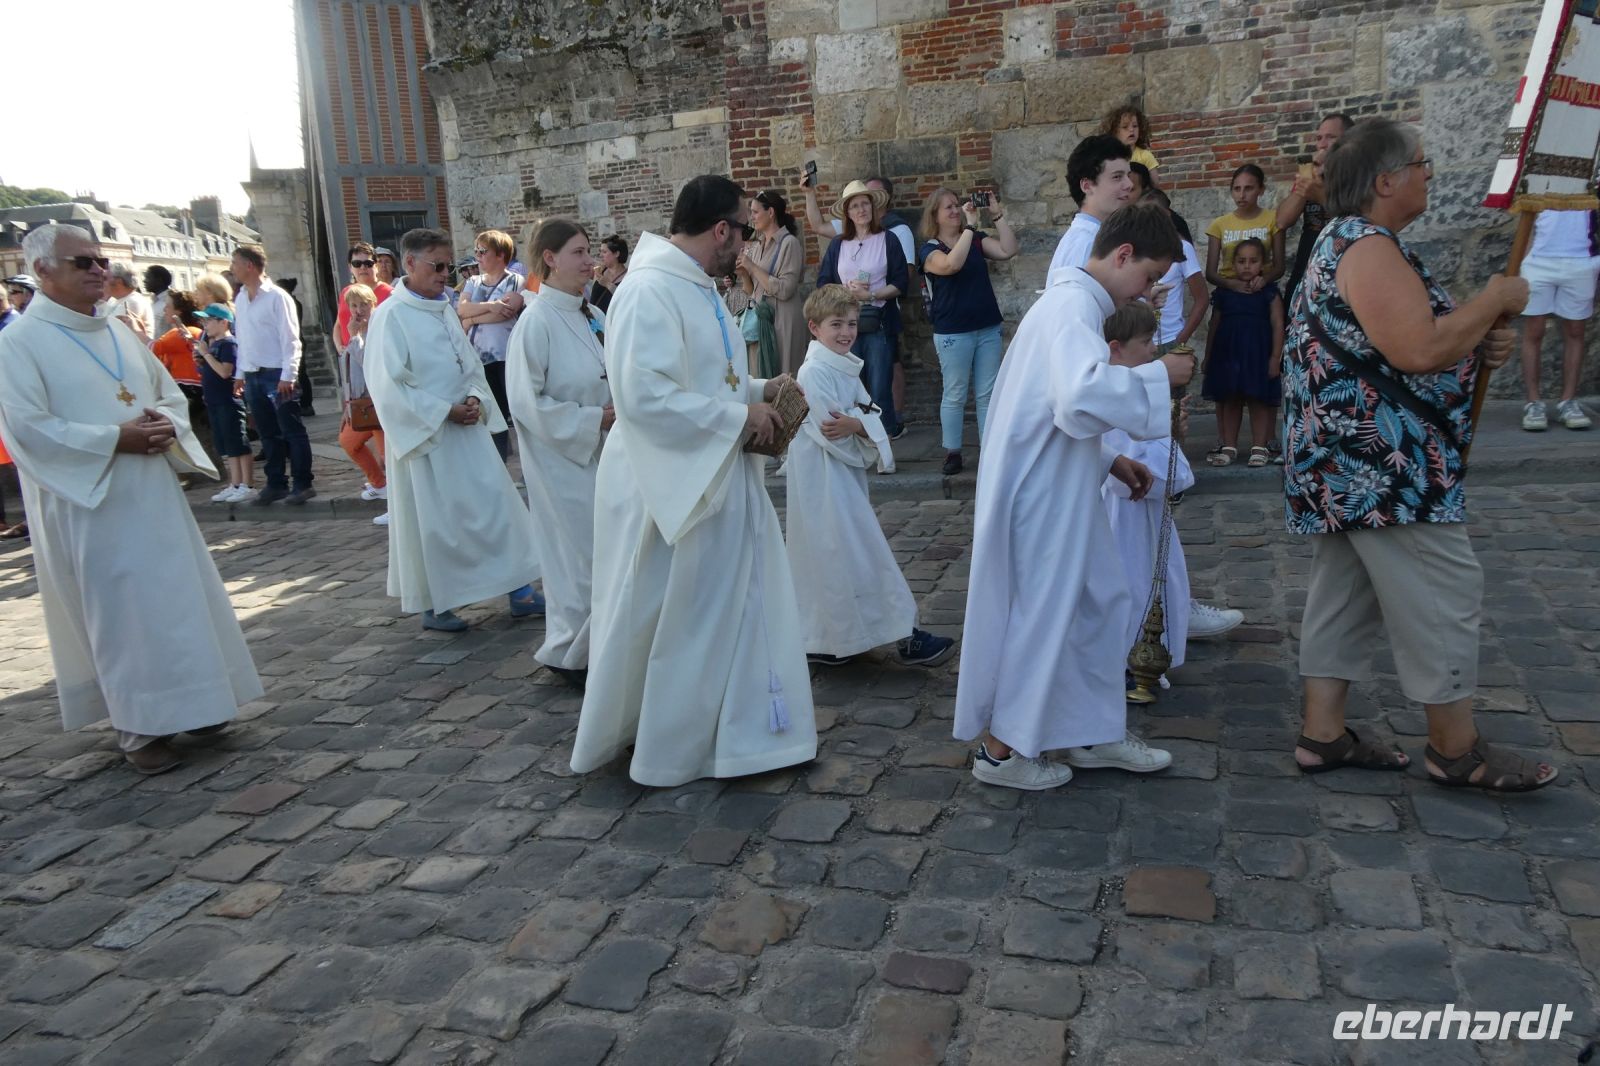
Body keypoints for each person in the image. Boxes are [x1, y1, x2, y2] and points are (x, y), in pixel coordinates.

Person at [1284, 117, 1556, 792]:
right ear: (1386, 181)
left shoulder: (1347, 241)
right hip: (1386, 465)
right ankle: (1455, 749)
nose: (1429, 173)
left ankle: (1323, 734)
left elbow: (1414, 338)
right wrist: (1491, 300)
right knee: (1442, 589)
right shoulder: (1368, 246)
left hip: (1348, 461)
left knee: (1344, 593)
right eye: (1422, 163)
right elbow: (1417, 349)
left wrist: (1478, 336)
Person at [571, 175, 817, 787]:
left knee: (730, 609)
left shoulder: (698, 287)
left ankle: (740, 735)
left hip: (715, 471)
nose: (747, 244)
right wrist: (740, 418)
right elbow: (643, 396)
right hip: (667, 485)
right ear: (720, 230)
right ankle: (673, 744)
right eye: (743, 231)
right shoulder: (648, 290)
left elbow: (710, 379)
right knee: (679, 618)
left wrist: (762, 389)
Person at [0, 224, 262, 774]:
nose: (99, 270)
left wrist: (166, 423)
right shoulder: (17, 344)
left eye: (100, 260)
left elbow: (167, 393)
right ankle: (140, 727)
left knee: (176, 600)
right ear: (42, 270)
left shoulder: (117, 331)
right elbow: (26, 428)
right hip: (89, 502)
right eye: (83, 262)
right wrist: (113, 439)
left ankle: (197, 704)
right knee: (120, 615)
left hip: (152, 491)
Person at [954, 204, 1193, 790]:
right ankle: (1000, 753)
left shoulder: (1073, 306)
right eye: (1147, 276)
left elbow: (1050, 405)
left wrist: (1110, 459)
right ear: (1123, 255)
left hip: (1058, 482)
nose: (1146, 292)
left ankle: (1088, 730)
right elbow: (1079, 397)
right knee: (1045, 615)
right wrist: (1159, 376)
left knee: (1099, 602)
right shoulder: (1071, 309)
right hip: (1042, 497)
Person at [364, 228, 543, 632]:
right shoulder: (390, 316)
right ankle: (436, 604)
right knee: (438, 526)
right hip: (429, 438)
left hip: (468, 429)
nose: (446, 274)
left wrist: (476, 396)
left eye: (448, 265)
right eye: (438, 266)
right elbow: (387, 385)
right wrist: (445, 410)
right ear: (410, 263)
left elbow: (470, 362)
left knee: (497, 507)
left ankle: (520, 590)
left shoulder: (443, 307)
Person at [786, 284, 957, 667]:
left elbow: (866, 413)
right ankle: (901, 636)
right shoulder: (814, 372)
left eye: (851, 323)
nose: (846, 332)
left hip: (842, 480)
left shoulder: (844, 365)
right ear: (814, 327)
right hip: (823, 482)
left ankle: (835, 641)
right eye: (836, 324)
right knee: (854, 555)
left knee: (842, 556)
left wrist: (860, 425)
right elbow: (833, 431)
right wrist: (862, 426)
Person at [506, 220, 613, 688]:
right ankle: (572, 652)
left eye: (590, 251)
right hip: (563, 461)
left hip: (605, 455)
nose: (590, 261)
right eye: (579, 252)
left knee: (606, 553)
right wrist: (594, 420)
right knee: (578, 558)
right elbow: (526, 403)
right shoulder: (536, 322)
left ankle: (604, 649)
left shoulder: (593, 313)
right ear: (549, 259)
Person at [1100, 302, 1194, 678]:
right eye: (1145, 342)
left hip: (1143, 517)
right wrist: (1166, 439)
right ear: (1116, 348)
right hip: (1122, 518)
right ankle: (1126, 664)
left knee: (1151, 581)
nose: (1154, 349)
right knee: (1132, 585)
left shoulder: (1130, 392)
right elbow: (1144, 476)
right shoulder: (1116, 400)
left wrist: (1169, 432)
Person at [918, 186, 1019, 476]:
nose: (955, 210)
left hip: (986, 326)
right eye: (948, 207)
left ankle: (990, 451)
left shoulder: (975, 239)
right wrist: (970, 227)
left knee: (988, 393)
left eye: (956, 205)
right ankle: (953, 452)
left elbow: (1008, 250)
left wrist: (996, 214)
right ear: (935, 215)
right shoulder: (930, 249)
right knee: (955, 393)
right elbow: (951, 265)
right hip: (953, 331)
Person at [801, 173, 917, 414]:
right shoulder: (838, 244)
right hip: (844, 325)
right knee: (849, 388)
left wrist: (871, 295)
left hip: (879, 323)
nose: (861, 209)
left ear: (873, 207)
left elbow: (900, 282)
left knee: (879, 389)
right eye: (854, 206)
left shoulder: (888, 239)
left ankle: (882, 434)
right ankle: (855, 433)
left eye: (865, 203)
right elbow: (824, 283)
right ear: (848, 213)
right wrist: (844, 293)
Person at [232, 244, 314, 505]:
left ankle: (302, 483)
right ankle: (276, 482)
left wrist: (288, 374)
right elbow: (243, 338)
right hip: (254, 373)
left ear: (249, 266)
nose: (232, 268)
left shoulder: (277, 297)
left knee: (292, 430)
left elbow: (290, 338)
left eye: (235, 263)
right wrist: (240, 372)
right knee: (268, 432)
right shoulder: (241, 298)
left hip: (277, 372)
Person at [1202, 239, 1284, 468]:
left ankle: (1259, 447)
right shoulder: (1224, 293)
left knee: (1258, 399)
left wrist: (1275, 357)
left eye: (1253, 261)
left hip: (1258, 353)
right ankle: (1229, 446)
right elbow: (1214, 325)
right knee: (1230, 398)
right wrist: (1208, 356)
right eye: (1241, 261)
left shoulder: (1269, 292)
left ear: (1263, 264)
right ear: (1233, 264)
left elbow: (1278, 324)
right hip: (1228, 352)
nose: (1247, 266)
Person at [1517, 209, 1597, 430]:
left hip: (1583, 259)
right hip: (1538, 259)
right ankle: (1533, 403)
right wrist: (1524, 258)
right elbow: (1527, 212)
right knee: (1534, 330)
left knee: (1576, 330)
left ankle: (1568, 401)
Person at [457, 229, 526, 460]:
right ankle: (500, 464)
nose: (477, 256)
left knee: (516, 411)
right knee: (493, 415)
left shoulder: (515, 280)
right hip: (479, 358)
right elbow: (462, 309)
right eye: (476, 251)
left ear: (500, 254)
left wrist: (471, 320)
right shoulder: (472, 282)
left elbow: (505, 312)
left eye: (483, 251)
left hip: (506, 356)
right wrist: (491, 305)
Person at [1276, 112, 1354, 304]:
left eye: (1330, 137)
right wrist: (1307, 178)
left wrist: (1321, 195)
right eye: (1319, 138)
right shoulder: (1310, 174)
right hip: (1308, 262)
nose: (1322, 145)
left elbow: (1357, 222)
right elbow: (1282, 221)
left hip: (1344, 265)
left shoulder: (1358, 176)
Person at [735, 191, 807, 378]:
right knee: (763, 378)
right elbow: (751, 291)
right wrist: (744, 274)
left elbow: (785, 290)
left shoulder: (789, 243)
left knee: (786, 376)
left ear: (771, 212)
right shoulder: (757, 246)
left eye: (755, 212)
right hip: (762, 320)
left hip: (783, 321)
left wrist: (752, 266)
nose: (752, 218)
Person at [190, 302, 254, 503]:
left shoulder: (228, 344)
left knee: (238, 443)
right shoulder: (213, 345)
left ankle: (246, 484)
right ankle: (235, 483)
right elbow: (209, 371)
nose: (205, 325)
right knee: (227, 445)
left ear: (223, 322)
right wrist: (201, 360)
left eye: (209, 321)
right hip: (215, 401)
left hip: (228, 401)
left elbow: (225, 372)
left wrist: (206, 354)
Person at [1048, 135, 1135, 281]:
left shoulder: (1094, 238)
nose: (1129, 184)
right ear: (1087, 186)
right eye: (1117, 177)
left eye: (1128, 175)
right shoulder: (1085, 245)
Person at [338, 285, 387, 523]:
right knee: (348, 442)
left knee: (387, 458)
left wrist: (355, 338)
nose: (359, 310)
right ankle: (380, 485)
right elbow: (348, 373)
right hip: (360, 405)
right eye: (354, 305)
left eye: (364, 304)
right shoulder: (355, 333)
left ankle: (397, 508)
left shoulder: (378, 330)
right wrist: (347, 405)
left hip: (378, 403)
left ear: (373, 304)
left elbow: (370, 363)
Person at [1141, 188, 1207, 353]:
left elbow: (1202, 299)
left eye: (1155, 214)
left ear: (1167, 214)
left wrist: (1180, 340)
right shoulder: (1135, 250)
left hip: (1170, 340)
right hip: (1139, 341)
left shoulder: (1182, 248)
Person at [1205, 164, 1284, 292]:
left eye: (1248, 188)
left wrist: (1264, 280)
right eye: (1237, 189)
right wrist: (1230, 284)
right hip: (1229, 292)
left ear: (1261, 190)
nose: (1241, 195)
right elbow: (1210, 274)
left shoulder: (1274, 219)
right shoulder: (1218, 224)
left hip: (1262, 290)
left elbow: (1279, 267)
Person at [335, 241, 394, 349]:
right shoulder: (346, 292)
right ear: (350, 267)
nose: (363, 267)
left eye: (368, 263)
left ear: (376, 266)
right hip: (348, 355)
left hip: (375, 353)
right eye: (357, 264)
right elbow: (338, 325)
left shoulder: (390, 293)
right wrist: (339, 347)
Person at [148, 289, 204, 388]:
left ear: (179, 312)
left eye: (168, 306)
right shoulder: (196, 330)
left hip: (187, 388)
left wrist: (134, 327)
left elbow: (152, 348)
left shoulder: (180, 333)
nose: (164, 310)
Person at [1101, 103, 1159, 171]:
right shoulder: (1108, 157)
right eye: (1125, 127)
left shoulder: (1146, 156)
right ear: (1114, 131)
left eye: (1135, 126)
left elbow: (1154, 178)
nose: (1131, 129)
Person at [101, 262, 152, 337]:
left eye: (105, 278)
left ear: (118, 282)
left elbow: (110, 329)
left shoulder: (132, 301)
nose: (101, 282)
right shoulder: (114, 300)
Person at [590, 234, 629, 314]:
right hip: (595, 319)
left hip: (614, 319)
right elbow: (592, 297)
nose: (600, 255)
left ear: (616, 254)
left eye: (604, 252)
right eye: (600, 251)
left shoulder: (628, 276)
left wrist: (607, 284)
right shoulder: (600, 271)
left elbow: (627, 299)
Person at [142, 265, 172, 333]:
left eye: (148, 277)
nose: (144, 281)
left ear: (159, 280)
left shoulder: (171, 302)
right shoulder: (152, 302)